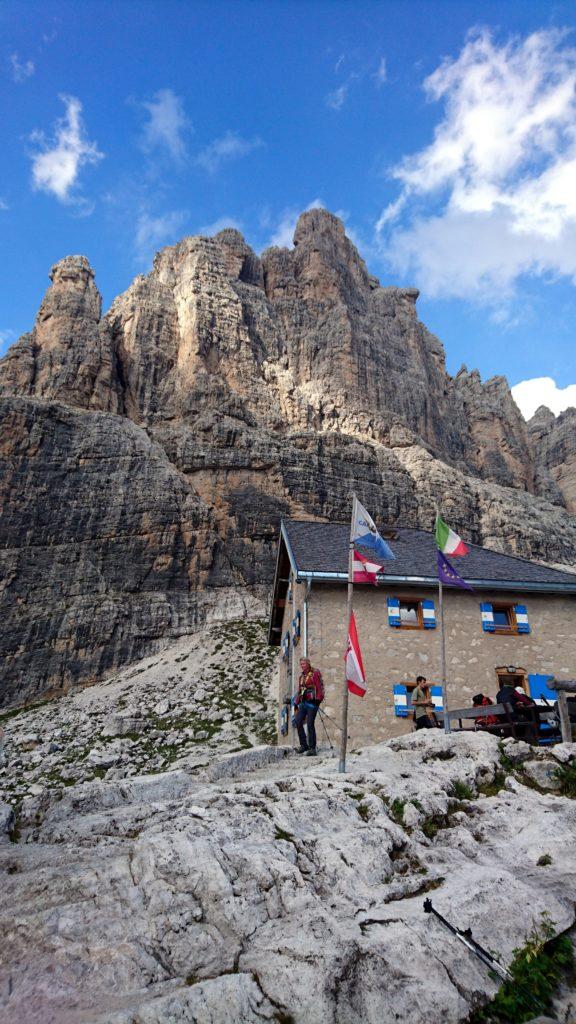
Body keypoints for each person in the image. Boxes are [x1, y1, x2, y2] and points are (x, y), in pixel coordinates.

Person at [294, 657, 324, 756]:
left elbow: (319, 687)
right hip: (303, 702)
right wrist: (296, 701)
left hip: (312, 702)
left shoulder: (315, 673)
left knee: (310, 723)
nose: (302, 666)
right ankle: (303, 745)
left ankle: (312, 748)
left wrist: (318, 700)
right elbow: (300, 689)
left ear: (308, 664)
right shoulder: (301, 676)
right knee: (298, 721)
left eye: (304, 664)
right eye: (301, 664)